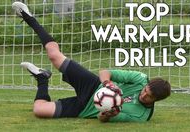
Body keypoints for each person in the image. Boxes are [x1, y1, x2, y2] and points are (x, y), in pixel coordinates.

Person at [12, 2, 171, 122]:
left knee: (39, 110)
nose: (143, 94)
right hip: (93, 85)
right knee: (54, 55)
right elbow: (104, 72)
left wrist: (109, 113)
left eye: (148, 96)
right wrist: (108, 83)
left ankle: (42, 78)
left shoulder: (141, 116)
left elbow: (101, 118)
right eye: (145, 90)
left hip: (85, 109)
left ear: (156, 100)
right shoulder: (140, 79)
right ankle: (28, 17)